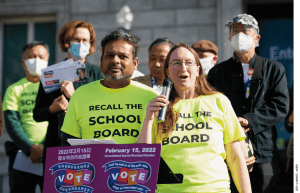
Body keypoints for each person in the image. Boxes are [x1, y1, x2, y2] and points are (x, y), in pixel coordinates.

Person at [137, 43, 251, 193]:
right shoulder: (159, 107)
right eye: (176, 63)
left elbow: (236, 158)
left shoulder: (219, 101)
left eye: (189, 62)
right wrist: (148, 120)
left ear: (198, 70)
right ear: (168, 71)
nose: (183, 68)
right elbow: (142, 160)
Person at [207, 14, 289, 193]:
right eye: (234, 31)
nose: (238, 35)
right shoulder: (217, 73)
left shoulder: (273, 68)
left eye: (245, 30)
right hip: (230, 152)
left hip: (264, 151)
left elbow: (280, 105)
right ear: (229, 38)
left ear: (257, 37)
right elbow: (211, 108)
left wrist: (247, 120)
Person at [60, 29, 158, 145]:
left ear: (135, 64)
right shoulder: (80, 95)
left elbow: (159, 144)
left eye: (123, 56)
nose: (115, 60)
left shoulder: (151, 97)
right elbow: (67, 144)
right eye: (109, 55)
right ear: (101, 61)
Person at [33, 20, 102, 165]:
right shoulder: (51, 74)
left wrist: (74, 96)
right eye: (76, 39)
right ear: (67, 41)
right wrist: (52, 109)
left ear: (90, 44)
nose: (81, 44)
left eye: (85, 40)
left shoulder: (97, 73)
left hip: (87, 145)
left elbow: (101, 110)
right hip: (56, 144)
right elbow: (37, 114)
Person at [3, 41, 50, 192]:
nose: (37, 60)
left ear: (47, 60)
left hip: (50, 155)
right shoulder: (13, 89)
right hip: (21, 156)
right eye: (32, 56)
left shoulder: (53, 87)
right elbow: (11, 122)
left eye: (41, 56)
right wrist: (30, 148)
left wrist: (46, 148)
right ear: (23, 62)